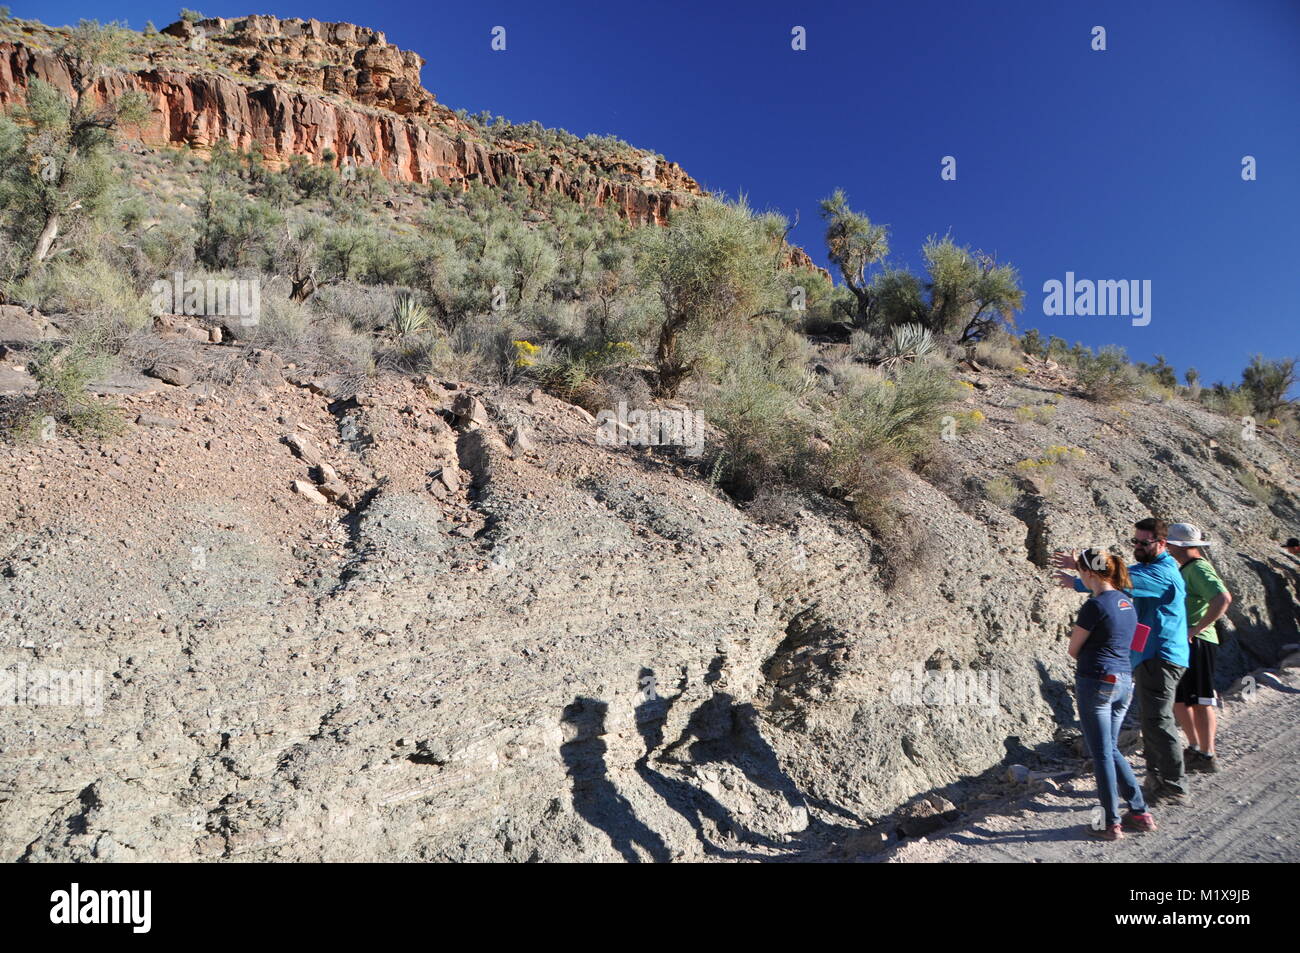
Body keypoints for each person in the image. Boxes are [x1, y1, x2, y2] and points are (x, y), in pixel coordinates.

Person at [1053, 517, 1190, 806]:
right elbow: (1119, 579)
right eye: (1135, 541)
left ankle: (1174, 786)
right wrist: (1081, 573)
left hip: (1161, 655)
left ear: (1162, 544)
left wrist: (1081, 570)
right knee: (1150, 721)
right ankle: (1155, 782)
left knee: (1159, 720)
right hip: (1147, 657)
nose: (1138, 546)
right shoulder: (1150, 568)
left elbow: (1122, 580)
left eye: (1144, 542)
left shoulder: (1162, 573)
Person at [1063, 548, 1156, 840]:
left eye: (1080, 571)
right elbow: (1134, 641)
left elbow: (1073, 649)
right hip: (1124, 682)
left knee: (1101, 752)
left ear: (1088, 573)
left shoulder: (1095, 605)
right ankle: (1140, 812)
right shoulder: (1127, 602)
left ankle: (1109, 822)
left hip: (1097, 681)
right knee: (1111, 748)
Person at [1166, 523, 1232, 774]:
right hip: (1186, 641)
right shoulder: (1186, 568)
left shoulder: (1198, 568)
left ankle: (1207, 753)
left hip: (1199, 641)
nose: (1167, 547)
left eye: (1170, 543)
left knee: (1202, 698)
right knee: (1181, 698)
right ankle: (1195, 749)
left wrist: (1196, 629)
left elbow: (1222, 598)